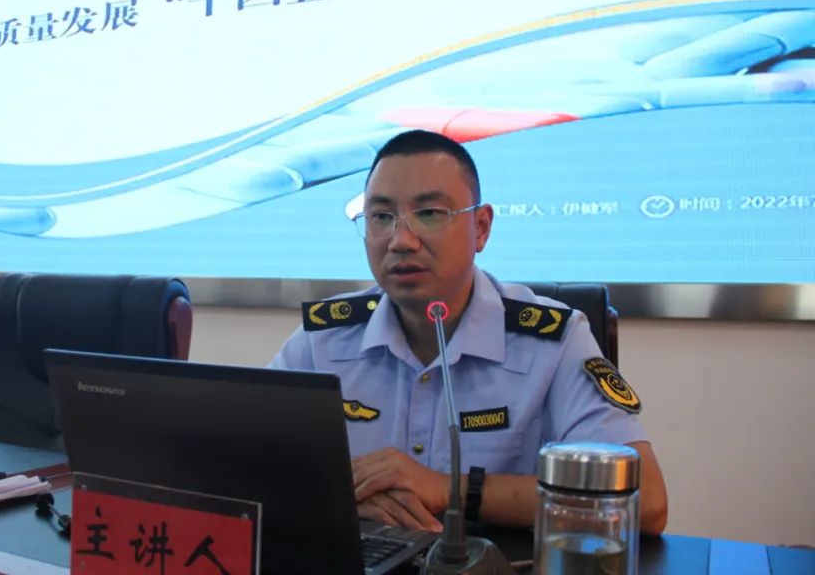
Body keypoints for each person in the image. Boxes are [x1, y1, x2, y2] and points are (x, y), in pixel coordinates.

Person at [269, 129, 668, 535]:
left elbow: (646, 501)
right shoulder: (323, 339)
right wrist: (343, 494)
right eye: (381, 217)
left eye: (430, 214)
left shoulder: (554, 341)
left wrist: (450, 490)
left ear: (481, 228)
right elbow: (248, 466)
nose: (401, 241)